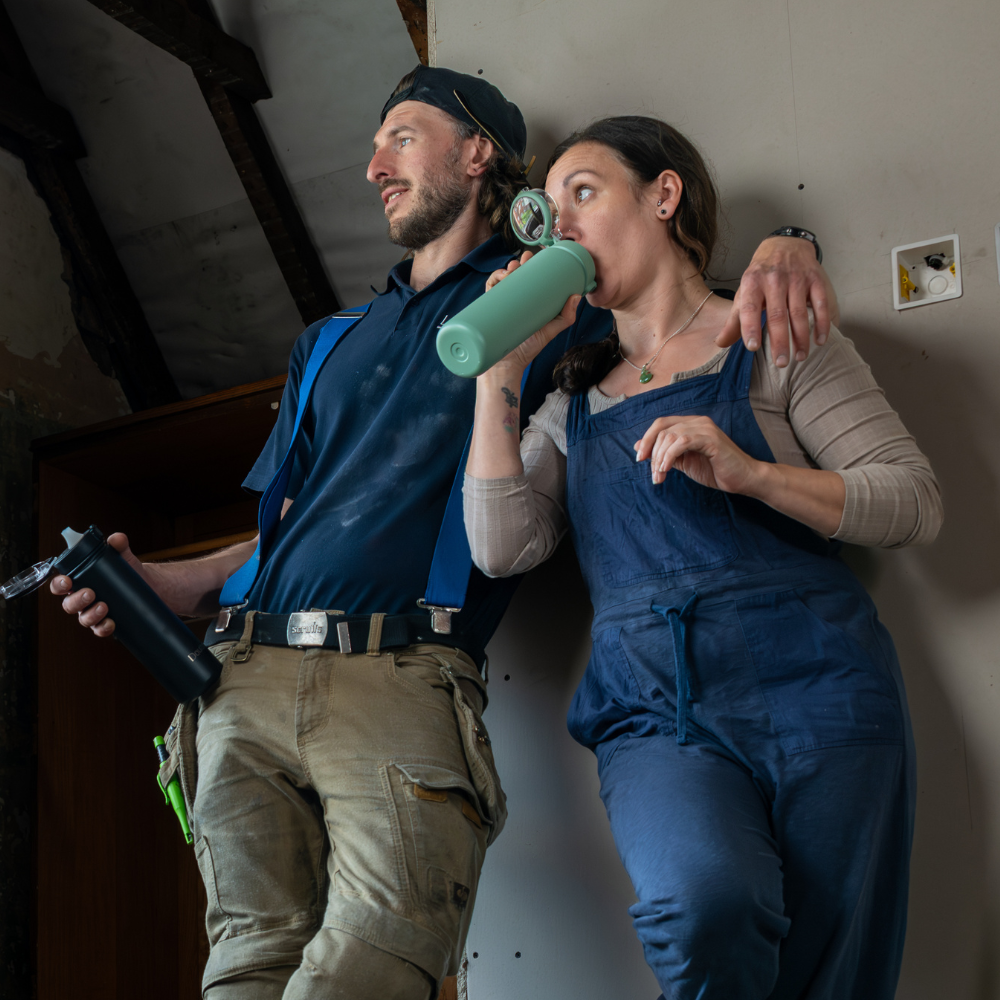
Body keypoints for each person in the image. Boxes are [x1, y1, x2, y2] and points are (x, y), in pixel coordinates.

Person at [50, 67, 839, 999]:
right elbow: (305, 517)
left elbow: (671, 302)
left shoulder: (551, 304)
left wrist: (790, 240)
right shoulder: (330, 341)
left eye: (402, 136)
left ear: (478, 154)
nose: (374, 165)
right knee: (245, 965)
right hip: (243, 678)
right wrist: (183, 585)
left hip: (399, 671)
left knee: (372, 968)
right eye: (377, 143)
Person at [464, 115, 942, 1000]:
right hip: (654, 707)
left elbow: (912, 500)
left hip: (824, 690)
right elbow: (499, 549)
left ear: (664, 195)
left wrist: (754, 473)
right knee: (702, 904)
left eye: (583, 192)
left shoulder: (777, 338)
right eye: (548, 206)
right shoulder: (569, 405)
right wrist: (500, 373)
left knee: (837, 970)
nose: (559, 223)